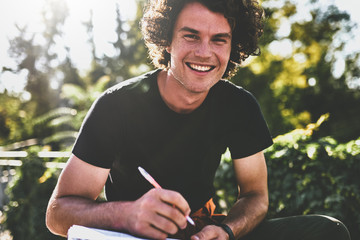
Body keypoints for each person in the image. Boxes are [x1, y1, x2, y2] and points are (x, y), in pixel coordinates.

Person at [46, 0, 351, 239]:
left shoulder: (240, 106)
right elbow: (57, 214)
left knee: (327, 230)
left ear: (234, 48)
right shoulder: (116, 106)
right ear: (167, 40)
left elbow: (256, 196)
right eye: (191, 36)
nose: (204, 53)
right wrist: (127, 215)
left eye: (219, 40)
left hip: (200, 233)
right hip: (129, 236)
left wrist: (227, 230)